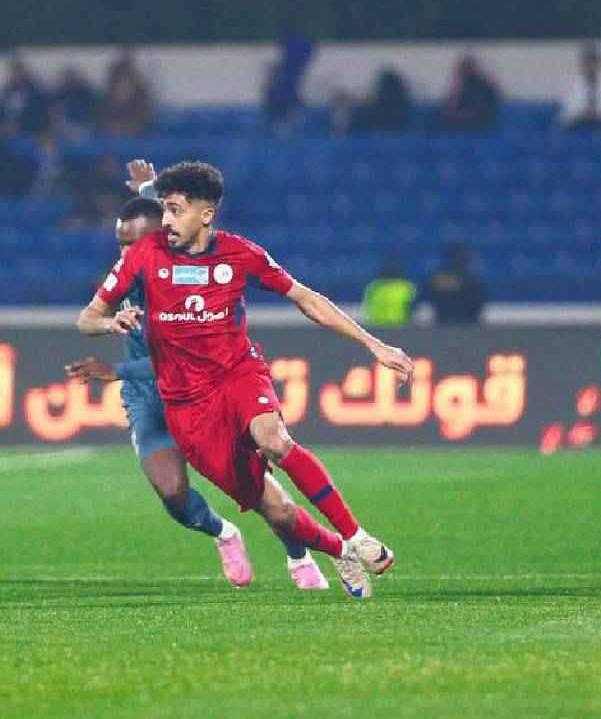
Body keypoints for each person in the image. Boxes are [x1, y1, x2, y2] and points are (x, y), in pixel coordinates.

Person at [79, 160, 410, 598]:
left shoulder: (240, 254)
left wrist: (375, 345)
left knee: (273, 438)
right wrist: (110, 324)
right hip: (186, 406)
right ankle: (337, 550)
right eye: (165, 210)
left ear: (206, 214)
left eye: (176, 210)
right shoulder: (144, 256)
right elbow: (88, 317)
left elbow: (307, 299)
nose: (167, 221)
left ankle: (357, 536)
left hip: (237, 374)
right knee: (276, 510)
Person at [67, 182, 329, 591]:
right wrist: (107, 323)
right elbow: (87, 319)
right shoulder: (129, 273)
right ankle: (223, 532)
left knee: (266, 498)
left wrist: (117, 370)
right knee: (171, 491)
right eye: (120, 243)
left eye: (132, 243)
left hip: (203, 392)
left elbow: (181, 361)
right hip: (150, 400)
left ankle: (299, 556)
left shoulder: (195, 279)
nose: (124, 254)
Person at [434, 55, 501, 132]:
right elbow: (451, 108)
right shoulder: (462, 86)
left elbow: (483, 113)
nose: (458, 75)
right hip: (469, 122)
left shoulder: (482, 87)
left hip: (480, 123)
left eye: (461, 71)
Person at [424, 243, 485, 324]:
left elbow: (429, 298)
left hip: (442, 324)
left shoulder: (435, 279)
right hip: (467, 325)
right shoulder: (472, 280)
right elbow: (479, 303)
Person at [363, 259, 416, 328]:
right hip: (399, 326)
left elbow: (367, 305)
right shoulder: (406, 287)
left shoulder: (374, 287)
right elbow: (412, 308)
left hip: (376, 326)